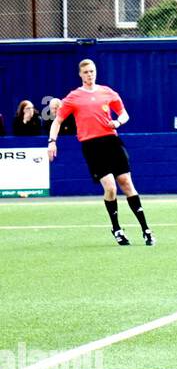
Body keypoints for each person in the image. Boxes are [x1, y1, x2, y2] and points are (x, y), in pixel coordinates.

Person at [46, 59, 153, 246]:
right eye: (86, 72)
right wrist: (52, 142)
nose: (90, 74)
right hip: (92, 146)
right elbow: (58, 121)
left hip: (112, 141)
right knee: (110, 187)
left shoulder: (107, 92)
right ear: (80, 74)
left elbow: (124, 114)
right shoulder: (73, 97)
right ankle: (117, 228)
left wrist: (118, 122)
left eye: (92, 71)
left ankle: (146, 230)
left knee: (126, 183)